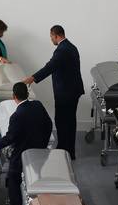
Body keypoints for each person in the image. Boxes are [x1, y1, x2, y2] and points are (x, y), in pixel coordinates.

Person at [0, 82, 52, 205]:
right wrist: (42, 145)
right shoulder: (38, 105)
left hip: (21, 157)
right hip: (40, 154)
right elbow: (49, 125)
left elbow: (9, 138)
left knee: (13, 183)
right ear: (27, 93)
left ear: (14, 97)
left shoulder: (17, 115)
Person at [23, 25, 84, 159]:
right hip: (73, 90)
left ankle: (63, 149)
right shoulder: (71, 47)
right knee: (70, 121)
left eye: (51, 37)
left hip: (66, 92)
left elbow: (50, 67)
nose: (51, 39)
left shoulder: (62, 50)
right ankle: (69, 150)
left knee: (62, 120)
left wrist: (32, 78)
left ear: (56, 35)